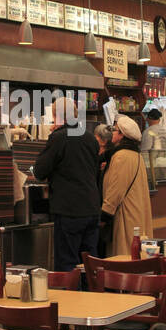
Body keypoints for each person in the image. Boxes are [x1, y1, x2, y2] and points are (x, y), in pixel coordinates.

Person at [32, 96, 101, 270]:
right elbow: (94, 172)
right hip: (92, 208)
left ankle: (71, 297)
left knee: (68, 264)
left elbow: (40, 171)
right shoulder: (90, 138)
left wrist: (54, 134)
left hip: (69, 210)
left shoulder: (59, 138)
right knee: (90, 264)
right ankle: (93, 296)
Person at [100, 115, 153, 255]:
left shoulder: (121, 156)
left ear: (122, 135)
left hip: (125, 216)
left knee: (124, 257)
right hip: (136, 214)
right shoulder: (135, 155)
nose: (112, 133)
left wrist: (103, 215)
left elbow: (115, 191)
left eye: (115, 130)